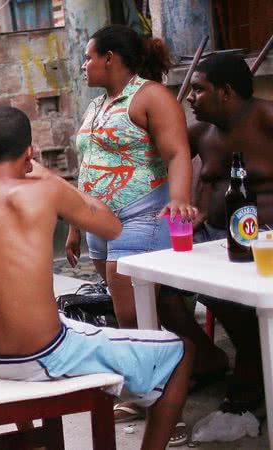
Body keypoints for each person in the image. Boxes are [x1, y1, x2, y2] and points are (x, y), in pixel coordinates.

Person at [0, 105, 194, 450]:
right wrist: (52, 178)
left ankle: (30, 438)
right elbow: (112, 227)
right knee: (180, 353)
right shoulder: (44, 190)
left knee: (74, 325)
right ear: (30, 153)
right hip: (43, 356)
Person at [66, 25, 198, 441]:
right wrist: (74, 225)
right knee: (134, 315)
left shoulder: (151, 96)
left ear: (110, 58)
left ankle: (164, 409)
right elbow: (88, 167)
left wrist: (179, 199)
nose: (83, 65)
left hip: (144, 215)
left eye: (88, 57)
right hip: (97, 223)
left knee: (132, 315)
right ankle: (188, 370)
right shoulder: (99, 104)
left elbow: (177, 151)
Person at [157, 53, 273, 417]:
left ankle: (251, 367)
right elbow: (180, 170)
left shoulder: (267, 119)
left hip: (264, 244)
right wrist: (193, 204)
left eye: (199, 90)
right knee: (162, 295)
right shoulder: (198, 132)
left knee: (233, 299)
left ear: (225, 92)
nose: (190, 97)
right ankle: (211, 358)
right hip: (214, 241)